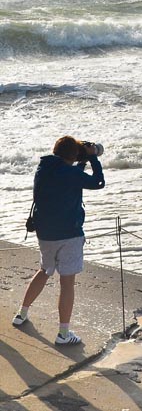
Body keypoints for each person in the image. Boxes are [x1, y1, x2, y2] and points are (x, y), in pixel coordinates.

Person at [12, 136, 105, 345]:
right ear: (73, 155)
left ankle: (21, 314)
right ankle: (63, 334)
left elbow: (67, 177)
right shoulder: (71, 174)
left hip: (45, 233)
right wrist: (93, 159)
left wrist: (80, 162)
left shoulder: (44, 169)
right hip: (69, 234)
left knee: (44, 270)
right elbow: (98, 182)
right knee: (67, 282)